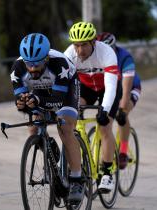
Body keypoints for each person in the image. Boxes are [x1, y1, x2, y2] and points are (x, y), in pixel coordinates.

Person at [10, 33, 83, 203]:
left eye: (37, 64)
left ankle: (76, 180)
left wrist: (37, 101)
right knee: (34, 125)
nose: (33, 68)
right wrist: (22, 103)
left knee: (65, 127)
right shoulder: (17, 69)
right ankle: (47, 145)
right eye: (29, 64)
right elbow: (22, 100)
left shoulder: (60, 64)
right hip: (40, 90)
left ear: (47, 58)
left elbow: (57, 100)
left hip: (66, 89)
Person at [64, 21, 122, 193]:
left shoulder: (107, 52)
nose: (79, 50)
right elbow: (66, 85)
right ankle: (77, 160)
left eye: (83, 45)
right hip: (86, 88)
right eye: (76, 45)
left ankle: (107, 173)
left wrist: (104, 110)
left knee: (105, 127)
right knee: (70, 119)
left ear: (93, 42)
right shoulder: (68, 55)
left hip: (107, 88)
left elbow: (111, 87)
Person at [96, 32, 142, 170]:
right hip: (113, 87)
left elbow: (126, 90)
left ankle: (123, 151)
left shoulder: (124, 58)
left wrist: (121, 108)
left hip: (130, 86)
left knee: (121, 114)